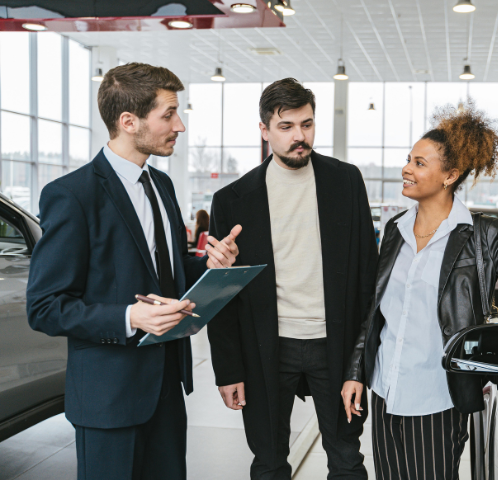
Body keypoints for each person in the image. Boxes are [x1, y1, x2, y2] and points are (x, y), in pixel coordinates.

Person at [341, 102, 498, 480]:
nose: (407, 169)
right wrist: (356, 372)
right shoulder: (395, 229)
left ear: (450, 175)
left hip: (437, 395)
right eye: (409, 159)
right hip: (385, 388)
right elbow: (374, 310)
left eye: (420, 163)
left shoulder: (481, 234)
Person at [26, 63, 241, 480]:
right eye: (168, 114)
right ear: (128, 122)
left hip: (166, 389)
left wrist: (209, 264)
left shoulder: (161, 186)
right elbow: (46, 307)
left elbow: (167, 271)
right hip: (108, 397)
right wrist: (129, 317)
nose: (179, 125)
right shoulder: (72, 195)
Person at [207, 78, 378, 479]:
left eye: (307, 124)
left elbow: (367, 276)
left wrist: (360, 364)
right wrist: (228, 369)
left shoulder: (347, 181)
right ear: (264, 130)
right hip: (266, 346)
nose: (300, 137)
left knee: (347, 458)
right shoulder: (231, 200)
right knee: (268, 461)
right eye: (286, 127)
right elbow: (222, 293)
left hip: (332, 344)